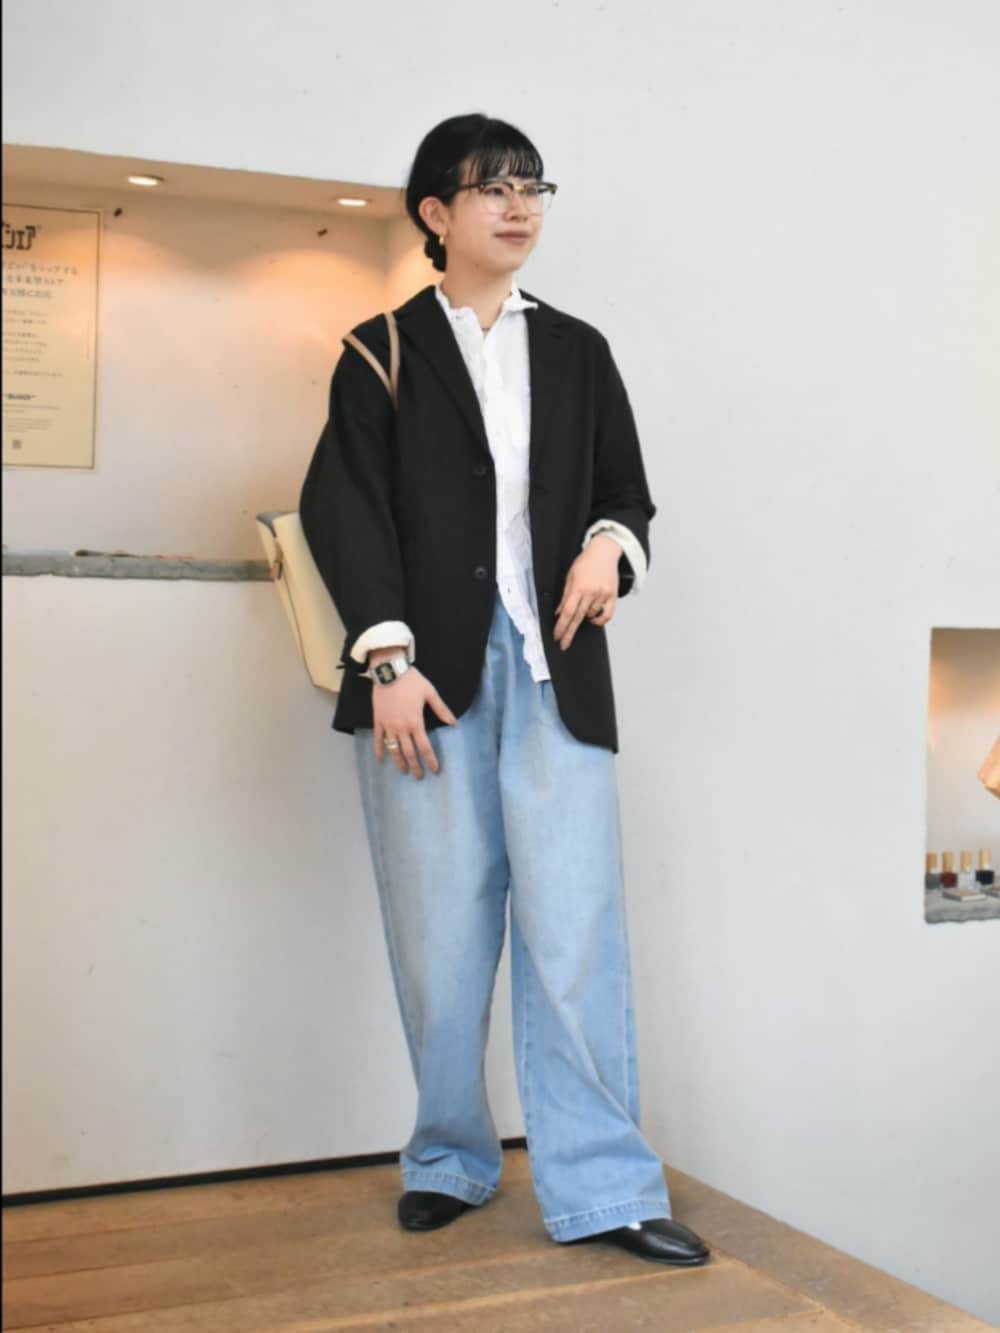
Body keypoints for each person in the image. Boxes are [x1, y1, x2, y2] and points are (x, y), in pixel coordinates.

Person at [299, 113, 709, 1267]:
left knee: (577, 936)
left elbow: (625, 490)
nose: (519, 206)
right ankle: (446, 1159)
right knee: (439, 938)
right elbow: (343, 508)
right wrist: (385, 660)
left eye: (532, 185)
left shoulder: (577, 349)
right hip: (423, 685)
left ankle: (605, 1187)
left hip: (555, 670)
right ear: (436, 213)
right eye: (492, 188)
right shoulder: (379, 350)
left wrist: (608, 547)